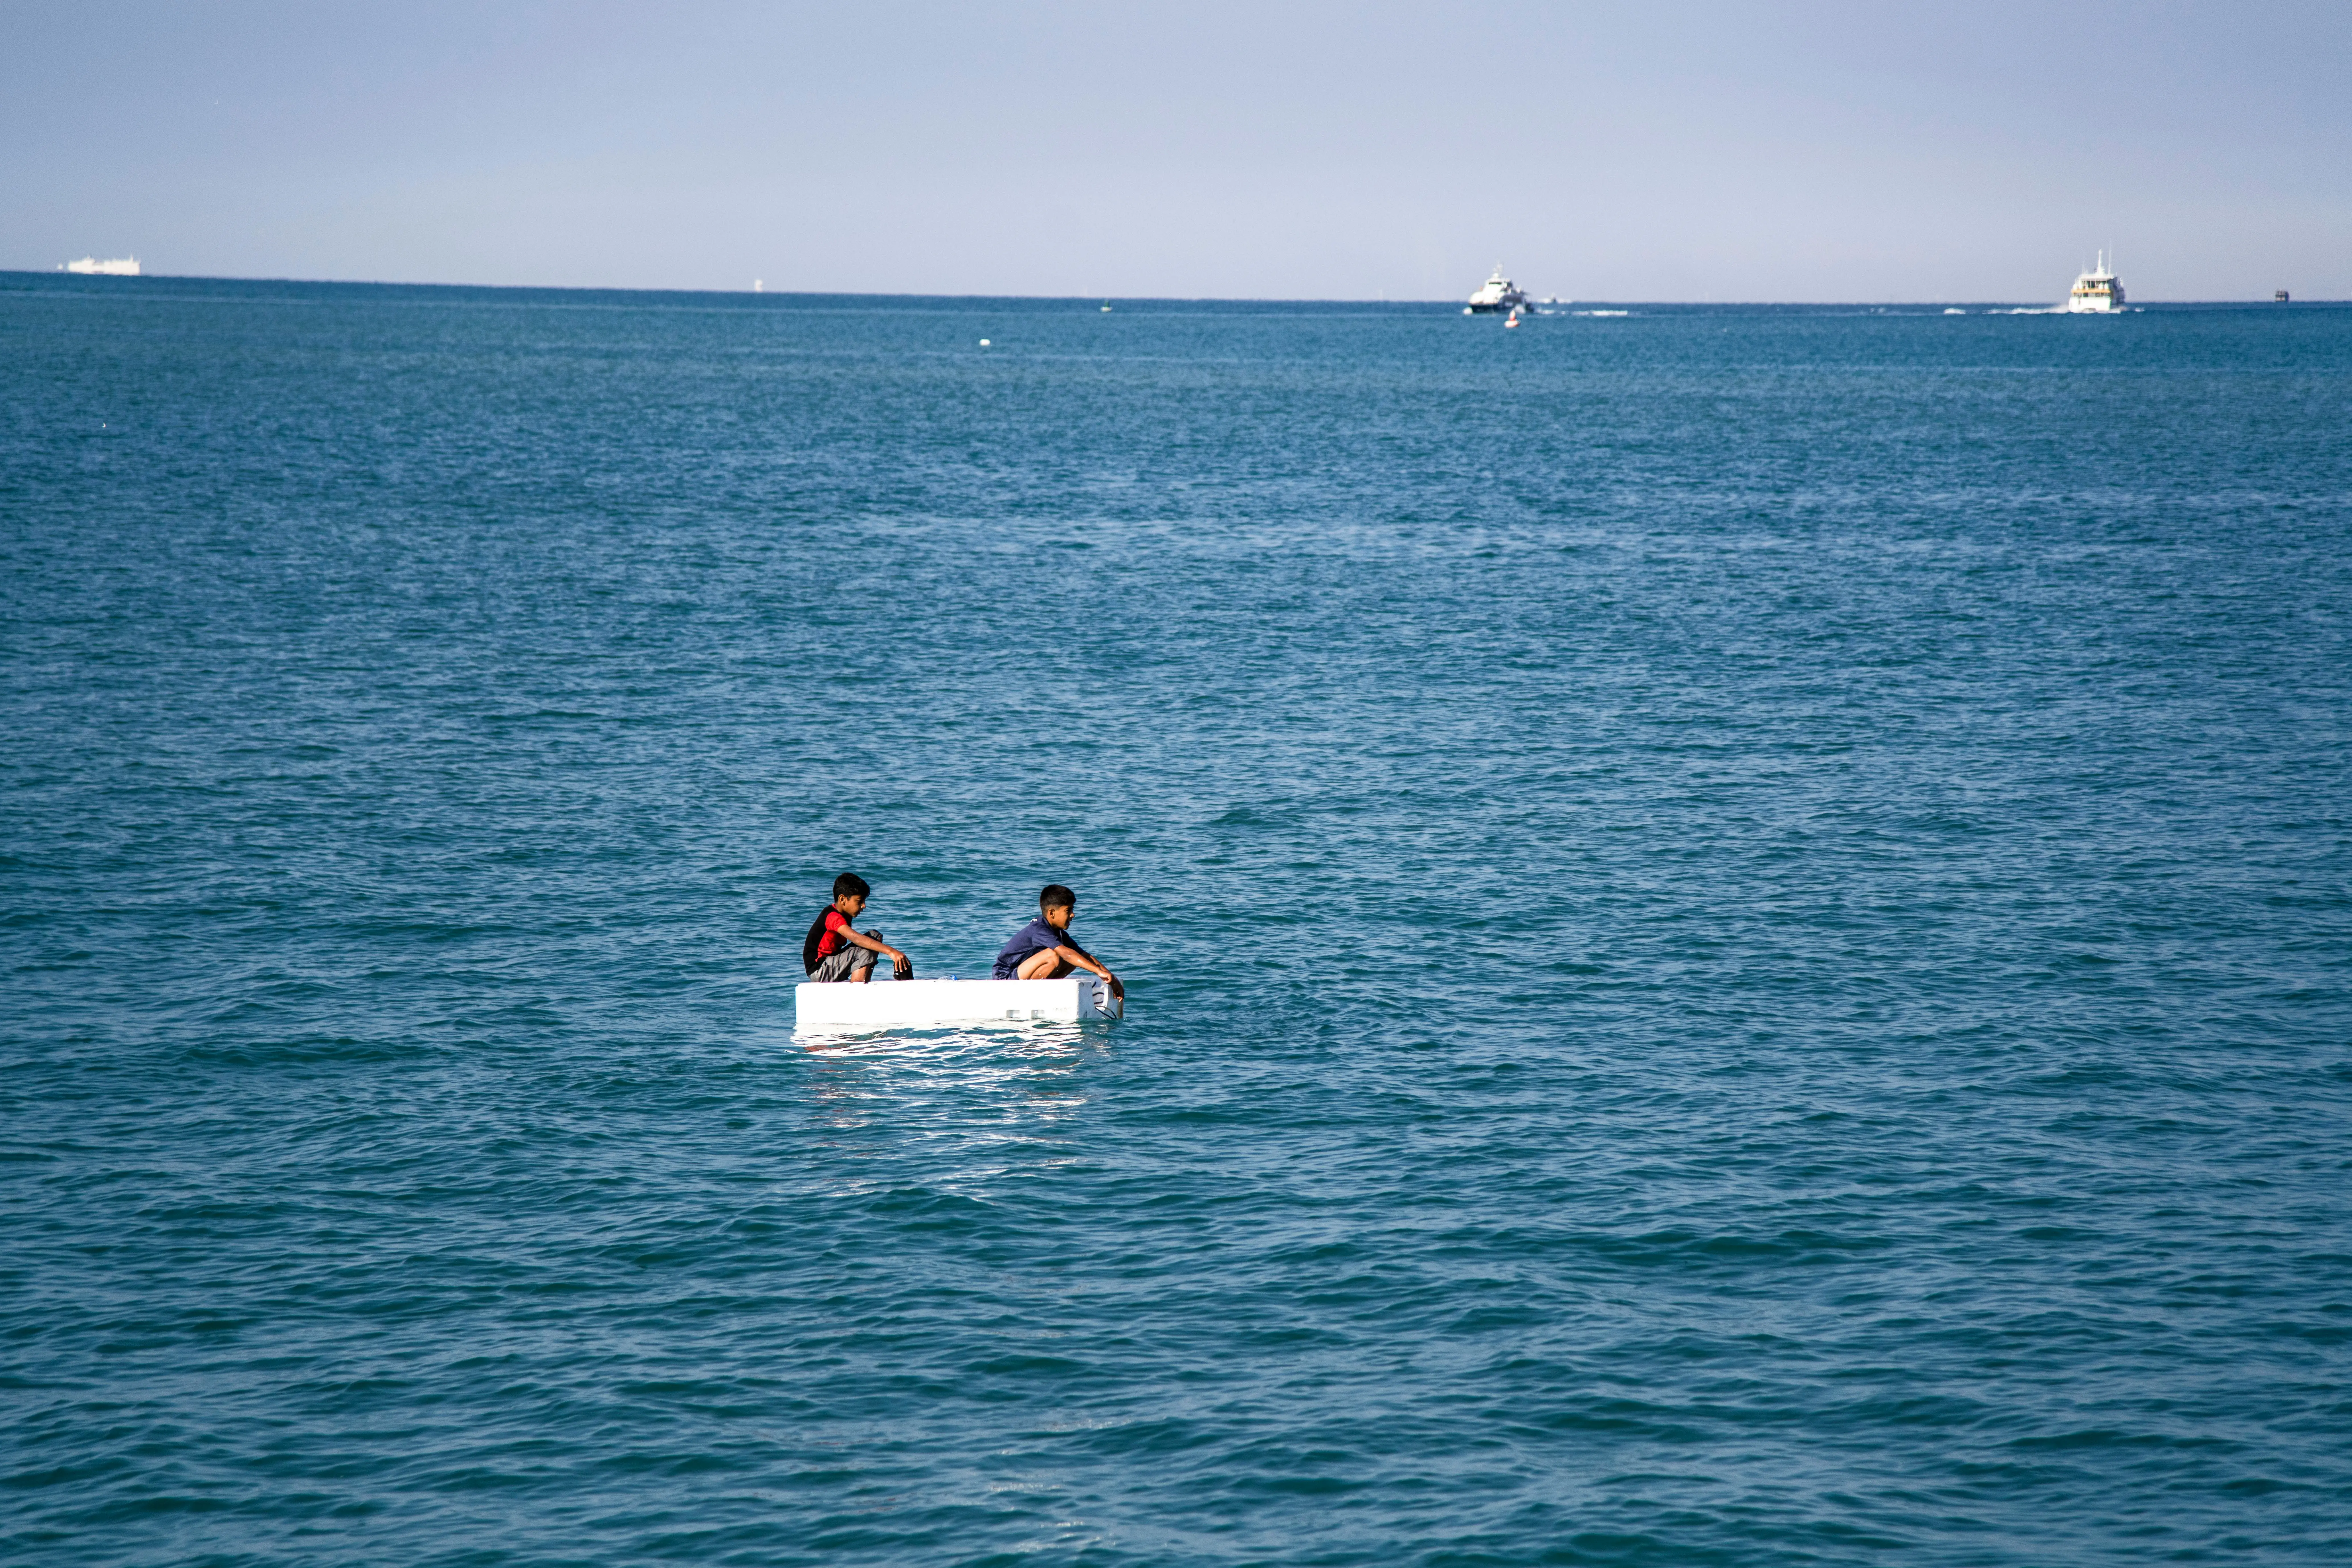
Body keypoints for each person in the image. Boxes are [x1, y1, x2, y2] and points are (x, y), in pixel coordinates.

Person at [992, 884, 1122, 1000]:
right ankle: (1029, 998)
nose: (1073, 915)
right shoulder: (1040, 930)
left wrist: (1113, 979)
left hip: (1021, 974)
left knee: (1075, 960)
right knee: (1054, 955)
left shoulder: (1058, 933)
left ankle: (1044, 994)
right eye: (1068, 911)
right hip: (1005, 979)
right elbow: (1067, 954)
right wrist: (1098, 972)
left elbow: (1084, 956)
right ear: (1052, 913)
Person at [803, 873, 912, 983]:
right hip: (820, 970)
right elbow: (856, 939)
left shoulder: (845, 915)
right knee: (865, 948)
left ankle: (865, 983)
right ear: (843, 899)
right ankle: (857, 989)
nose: (864, 906)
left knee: (875, 936)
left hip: (831, 963)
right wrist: (891, 952)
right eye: (860, 902)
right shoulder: (833, 917)